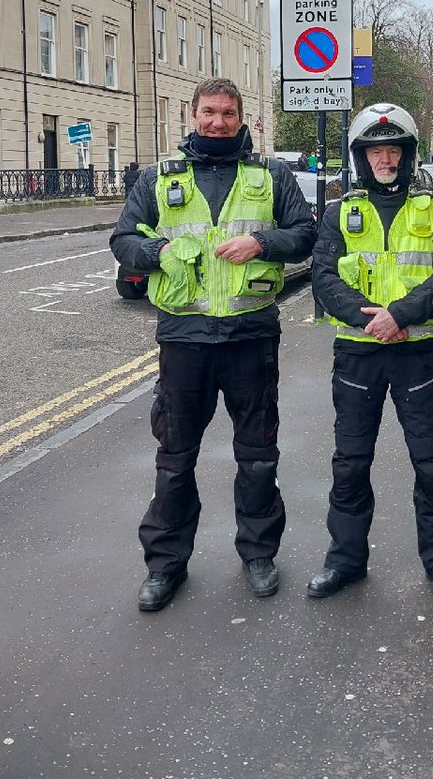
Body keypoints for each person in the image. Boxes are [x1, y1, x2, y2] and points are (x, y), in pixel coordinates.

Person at [110, 78, 316, 612]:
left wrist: (262, 241)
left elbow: (305, 235)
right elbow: (123, 242)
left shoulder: (271, 174)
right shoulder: (159, 177)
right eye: (208, 112)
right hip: (185, 338)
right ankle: (165, 565)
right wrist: (160, 252)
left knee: (257, 454)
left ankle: (258, 554)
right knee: (175, 457)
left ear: (241, 117)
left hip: (251, 334)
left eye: (227, 112)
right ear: (193, 114)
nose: (217, 122)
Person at [308, 102, 433, 604]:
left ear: (408, 154)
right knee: (351, 463)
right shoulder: (339, 212)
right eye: (376, 150)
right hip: (358, 353)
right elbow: (323, 277)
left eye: (394, 149)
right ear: (361, 157)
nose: (386, 159)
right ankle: (345, 560)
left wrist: (400, 314)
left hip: (417, 352)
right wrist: (370, 319)